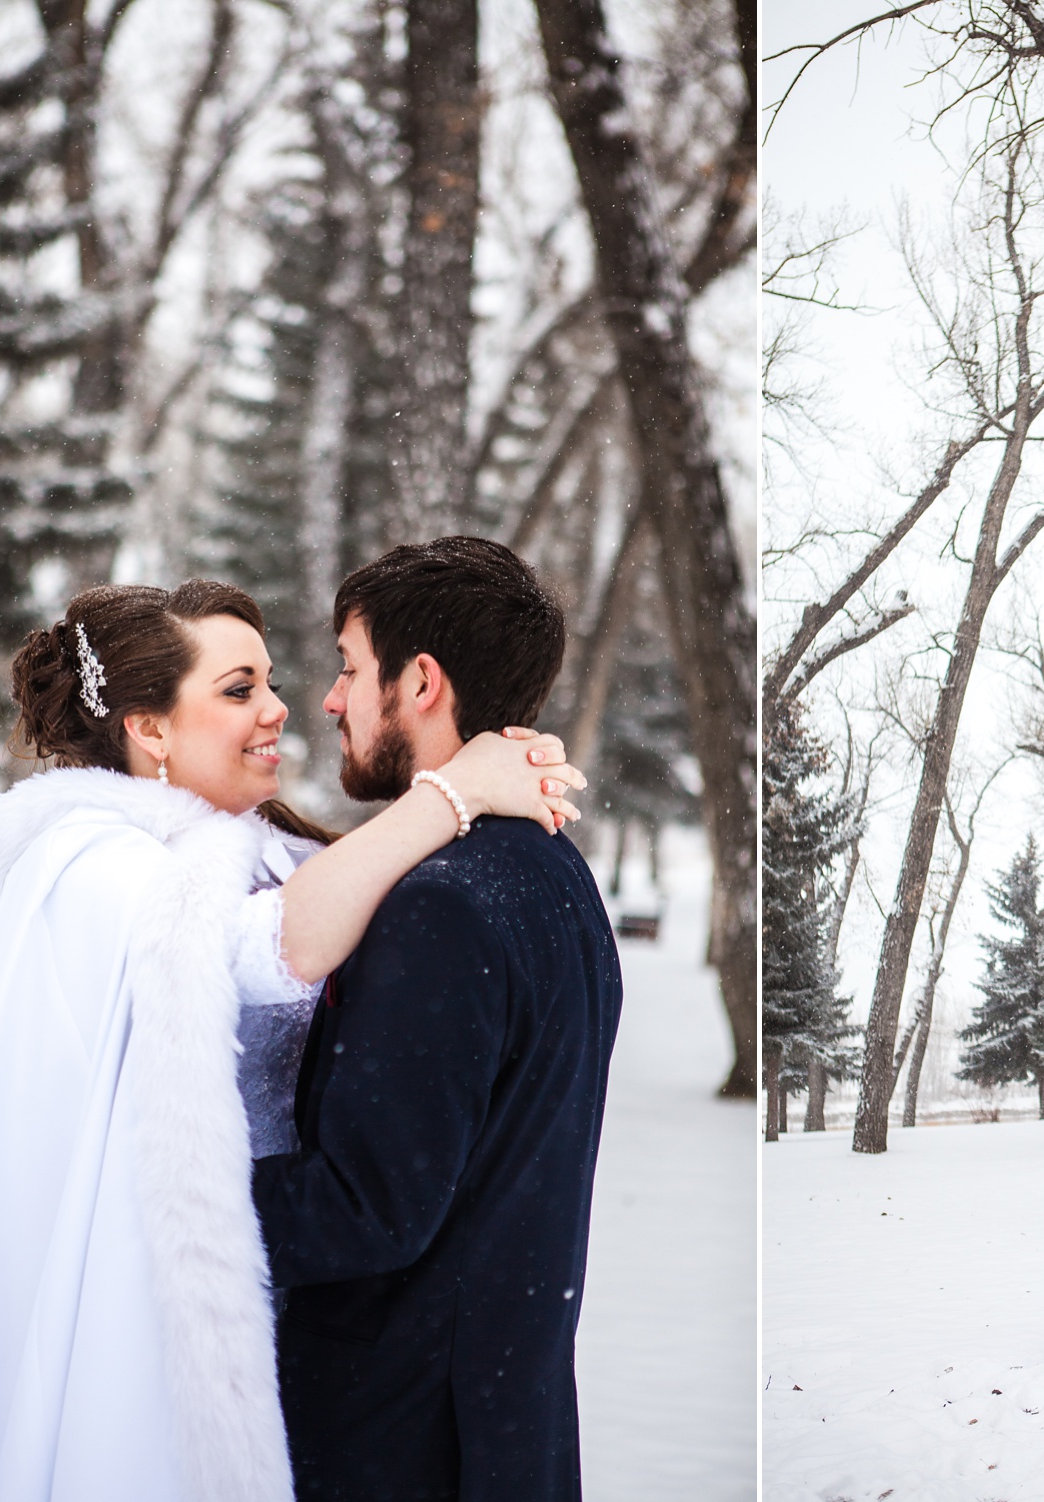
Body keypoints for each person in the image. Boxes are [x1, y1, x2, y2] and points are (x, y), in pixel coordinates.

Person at [0, 577, 583, 1502]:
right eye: (238, 691)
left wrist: (492, 777)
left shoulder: (266, 852)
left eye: (270, 681)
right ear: (149, 728)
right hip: (142, 1301)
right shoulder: (90, 864)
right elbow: (275, 947)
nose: (280, 708)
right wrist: (452, 791)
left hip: (274, 1297)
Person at [253, 539, 624, 1502]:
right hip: (503, 1426)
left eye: (347, 666)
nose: (331, 700)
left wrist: (164, 1199)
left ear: (420, 682)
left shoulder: (440, 905)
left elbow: (369, 1209)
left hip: (402, 1442)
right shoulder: (558, 879)